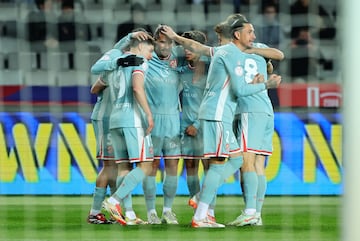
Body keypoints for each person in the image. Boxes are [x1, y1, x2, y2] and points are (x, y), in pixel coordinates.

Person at [161, 17, 282, 227]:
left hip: (223, 114)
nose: (254, 36)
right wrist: (266, 84)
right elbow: (240, 89)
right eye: (250, 32)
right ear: (237, 34)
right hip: (219, 114)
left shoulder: (229, 52)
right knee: (222, 164)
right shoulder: (229, 53)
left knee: (235, 160)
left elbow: (200, 49)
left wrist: (175, 36)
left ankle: (202, 202)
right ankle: (203, 213)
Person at [100, 35, 156, 226]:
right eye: (150, 51)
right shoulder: (139, 62)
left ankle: (129, 215)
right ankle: (114, 201)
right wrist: (148, 114)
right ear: (140, 47)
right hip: (132, 119)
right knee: (146, 165)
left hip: (115, 119)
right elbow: (137, 88)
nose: (150, 56)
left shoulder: (115, 64)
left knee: (124, 167)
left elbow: (98, 85)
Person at [87, 53, 145, 224]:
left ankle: (116, 209)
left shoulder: (125, 70)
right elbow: (94, 89)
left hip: (115, 119)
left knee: (116, 166)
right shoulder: (116, 69)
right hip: (106, 119)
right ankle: (95, 213)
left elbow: (95, 88)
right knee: (109, 166)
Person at [177, 30, 210, 212]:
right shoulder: (182, 70)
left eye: (190, 47)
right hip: (186, 126)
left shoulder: (211, 69)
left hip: (204, 125)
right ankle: (196, 202)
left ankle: (207, 207)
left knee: (209, 167)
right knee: (190, 165)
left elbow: (211, 101)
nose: (187, 51)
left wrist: (197, 124)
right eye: (184, 47)